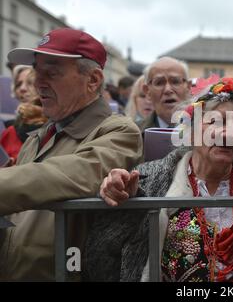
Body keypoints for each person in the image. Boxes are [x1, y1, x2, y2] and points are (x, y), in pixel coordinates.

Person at [84, 77, 233, 282]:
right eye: (217, 122)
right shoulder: (147, 181)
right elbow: (100, 259)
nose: (229, 133)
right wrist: (123, 202)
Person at [0, 28, 143, 281]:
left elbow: (64, 175)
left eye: (51, 72)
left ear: (93, 80)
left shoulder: (120, 131)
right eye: (37, 71)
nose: (37, 82)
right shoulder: (38, 137)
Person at [1, 70, 47, 164]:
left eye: (30, 83)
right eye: (18, 84)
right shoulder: (10, 131)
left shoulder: (58, 128)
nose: (22, 89)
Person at [139, 57, 191, 130]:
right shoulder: (133, 134)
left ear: (188, 87)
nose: (168, 90)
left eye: (175, 82)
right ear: (147, 91)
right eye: (159, 83)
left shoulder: (206, 132)